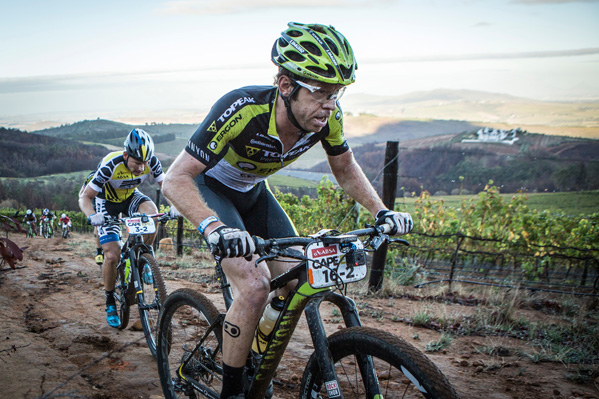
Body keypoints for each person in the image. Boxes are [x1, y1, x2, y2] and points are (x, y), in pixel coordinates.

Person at [162, 22, 414, 399]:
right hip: (210, 189)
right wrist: (214, 228)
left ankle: (255, 341)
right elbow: (174, 179)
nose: (330, 104)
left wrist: (381, 211)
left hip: (253, 193)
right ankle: (233, 391)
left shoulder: (325, 117)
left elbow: (345, 168)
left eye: (337, 93)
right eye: (320, 92)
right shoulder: (242, 109)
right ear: (285, 85)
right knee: (254, 284)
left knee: (300, 277)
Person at [78, 128, 165, 328]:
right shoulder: (110, 165)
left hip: (129, 197)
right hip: (105, 202)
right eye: (136, 163)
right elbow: (85, 197)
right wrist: (92, 216)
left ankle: (143, 259)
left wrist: (178, 205)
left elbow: (167, 186)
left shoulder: (150, 162)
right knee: (111, 256)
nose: (141, 167)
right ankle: (110, 301)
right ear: (126, 155)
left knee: (153, 215)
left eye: (145, 163)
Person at [80, 172, 105, 266]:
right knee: (98, 224)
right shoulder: (92, 176)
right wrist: (89, 214)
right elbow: (82, 195)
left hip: (112, 201)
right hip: (95, 200)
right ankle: (99, 252)